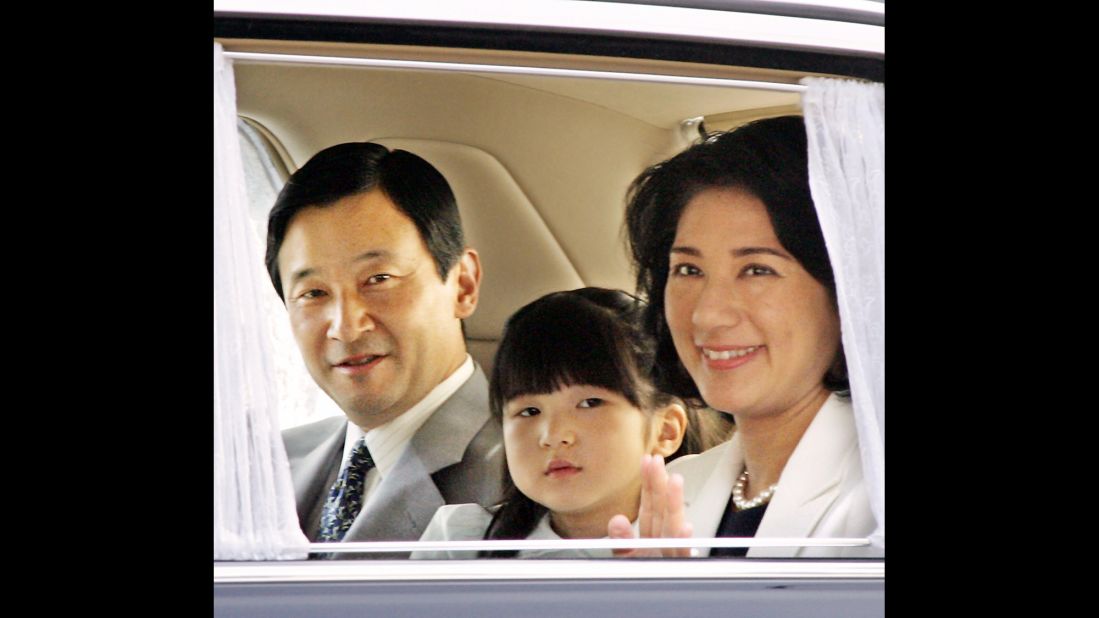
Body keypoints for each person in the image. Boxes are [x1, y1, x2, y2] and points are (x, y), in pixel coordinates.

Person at [608, 116, 878, 558]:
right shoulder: (678, 490)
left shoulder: (873, 502)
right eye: (688, 270)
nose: (708, 314)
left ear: (846, 292)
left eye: (757, 270)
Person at [266, 142, 503, 549]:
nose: (346, 327)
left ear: (463, 284)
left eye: (379, 279)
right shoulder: (260, 472)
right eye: (314, 293)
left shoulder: (541, 477)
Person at [413, 288, 688, 559]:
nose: (553, 435)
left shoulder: (709, 537)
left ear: (666, 430)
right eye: (529, 411)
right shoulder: (460, 546)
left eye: (589, 403)